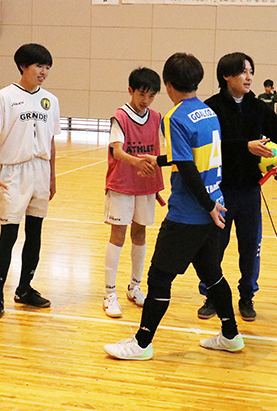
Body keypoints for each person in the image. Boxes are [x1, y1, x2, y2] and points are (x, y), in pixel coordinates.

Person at [104, 52, 243, 360]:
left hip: (190, 213)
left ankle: (141, 343)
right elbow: (193, 155)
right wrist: (161, 160)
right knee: (212, 275)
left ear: (167, 85)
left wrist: (206, 204)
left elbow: (189, 169)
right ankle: (231, 335)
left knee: (159, 277)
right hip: (214, 208)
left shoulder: (174, 117)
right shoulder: (208, 112)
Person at [196, 52, 277, 322]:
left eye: (251, 71)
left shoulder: (259, 108)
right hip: (220, 191)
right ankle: (212, 296)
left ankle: (247, 297)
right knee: (215, 246)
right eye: (243, 72)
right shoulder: (211, 108)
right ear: (226, 76)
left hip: (250, 191)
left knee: (250, 248)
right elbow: (208, 147)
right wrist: (244, 146)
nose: (249, 77)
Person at [0, 43, 60, 321]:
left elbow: (51, 140)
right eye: (39, 66)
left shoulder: (50, 100)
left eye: (47, 67)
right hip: (12, 173)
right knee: (9, 235)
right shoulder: (4, 96)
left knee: (35, 233)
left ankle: (25, 289)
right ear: (23, 66)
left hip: (41, 170)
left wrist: (52, 176)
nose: (44, 72)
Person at [101, 67, 164, 318]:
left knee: (140, 233)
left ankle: (135, 286)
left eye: (151, 96)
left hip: (146, 185)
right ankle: (109, 293)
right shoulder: (120, 116)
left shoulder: (156, 117)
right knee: (118, 235)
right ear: (130, 90)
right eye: (141, 94)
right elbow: (116, 151)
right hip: (122, 184)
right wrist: (137, 162)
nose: (146, 100)